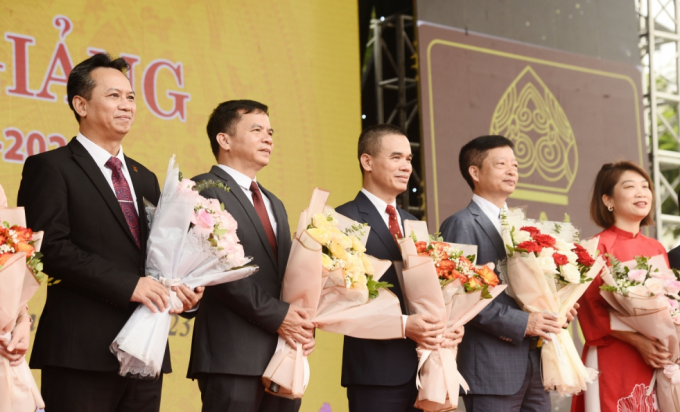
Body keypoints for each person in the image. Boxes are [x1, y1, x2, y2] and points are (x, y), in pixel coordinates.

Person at [16, 53, 202, 412]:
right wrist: (128, 285)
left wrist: (184, 289)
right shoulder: (50, 168)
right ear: (80, 104)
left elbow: (160, 256)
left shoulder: (145, 177)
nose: (127, 106)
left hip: (144, 349)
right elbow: (50, 249)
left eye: (131, 97)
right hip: (80, 351)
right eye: (114, 96)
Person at [186, 100, 315, 412]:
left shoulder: (275, 203)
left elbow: (287, 277)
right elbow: (220, 271)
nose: (268, 138)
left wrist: (302, 322)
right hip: (231, 355)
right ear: (224, 139)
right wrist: (280, 317)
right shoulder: (203, 189)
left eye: (270, 132)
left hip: (283, 356)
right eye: (256, 130)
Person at [439, 135, 576, 412]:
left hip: (534, 366)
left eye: (514, 164)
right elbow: (461, 297)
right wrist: (523, 323)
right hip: (491, 367)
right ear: (474, 172)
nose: (512, 170)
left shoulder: (522, 227)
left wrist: (557, 307)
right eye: (501, 164)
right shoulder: (461, 224)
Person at [337, 124, 463, 412]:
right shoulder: (345, 219)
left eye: (408, 159)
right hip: (376, 373)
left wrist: (449, 325)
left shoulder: (413, 224)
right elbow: (342, 301)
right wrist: (405, 325)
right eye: (396, 157)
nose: (406, 166)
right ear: (367, 161)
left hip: (425, 368)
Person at [571, 161, 670, 412]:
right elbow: (591, 309)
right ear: (608, 200)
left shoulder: (656, 248)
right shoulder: (597, 246)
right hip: (614, 352)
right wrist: (638, 341)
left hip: (656, 357)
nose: (641, 192)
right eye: (630, 186)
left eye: (645, 186)